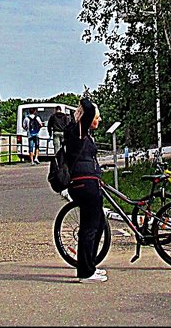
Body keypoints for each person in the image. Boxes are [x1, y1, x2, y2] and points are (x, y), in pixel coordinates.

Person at [63, 95, 106, 283]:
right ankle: (85, 272)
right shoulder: (77, 131)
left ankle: (90, 265)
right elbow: (88, 110)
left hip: (89, 182)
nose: (99, 119)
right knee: (89, 228)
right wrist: (85, 100)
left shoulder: (82, 133)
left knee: (99, 224)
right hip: (84, 184)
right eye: (97, 116)